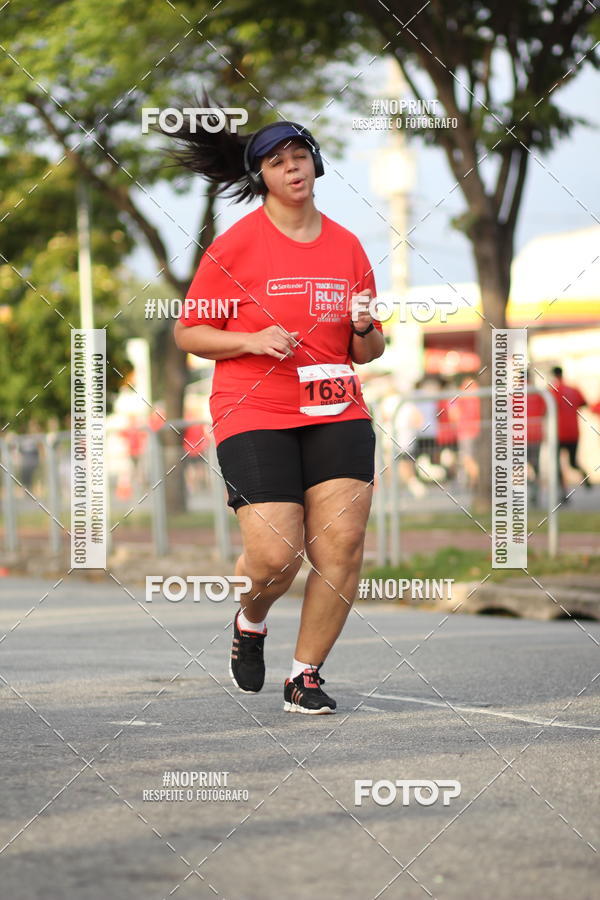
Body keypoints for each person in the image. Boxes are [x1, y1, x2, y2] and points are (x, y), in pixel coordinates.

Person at [167, 109, 385, 714]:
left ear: (315, 163)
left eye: (300, 156)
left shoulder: (347, 245)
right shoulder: (236, 244)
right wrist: (249, 339)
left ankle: (304, 676)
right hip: (254, 407)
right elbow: (189, 334)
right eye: (276, 161)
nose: (292, 168)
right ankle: (251, 617)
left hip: (335, 405)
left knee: (341, 542)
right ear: (261, 176)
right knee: (275, 555)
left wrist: (364, 325)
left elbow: (368, 351)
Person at [549, 366, 591, 502]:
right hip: (574, 432)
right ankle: (584, 475)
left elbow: (546, 408)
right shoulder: (573, 390)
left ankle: (563, 493)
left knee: (557, 464)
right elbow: (584, 403)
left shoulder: (553, 391)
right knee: (573, 462)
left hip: (559, 433)